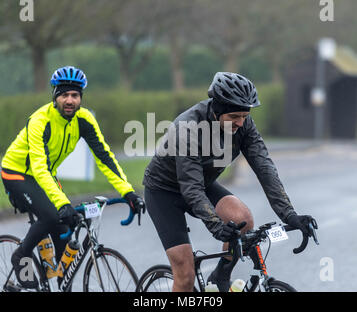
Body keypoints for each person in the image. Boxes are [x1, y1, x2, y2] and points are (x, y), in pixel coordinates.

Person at [143, 72, 316, 292]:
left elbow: (265, 169)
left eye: (245, 115)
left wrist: (290, 214)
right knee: (185, 275)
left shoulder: (244, 125)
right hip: (164, 191)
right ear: (217, 110)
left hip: (202, 183)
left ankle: (221, 275)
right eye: (234, 116)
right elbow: (190, 186)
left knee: (243, 220)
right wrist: (215, 226)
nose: (241, 122)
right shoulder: (187, 127)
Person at [1, 66, 145, 289]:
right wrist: (62, 204)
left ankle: (58, 280)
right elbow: (39, 167)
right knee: (51, 215)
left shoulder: (84, 119)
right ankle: (20, 255)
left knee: (65, 236)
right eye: (64, 94)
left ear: (81, 98)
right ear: (55, 96)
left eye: (75, 95)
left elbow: (104, 157)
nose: (70, 100)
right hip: (17, 173)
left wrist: (127, 192)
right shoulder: (40, 120)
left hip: (46, 174)